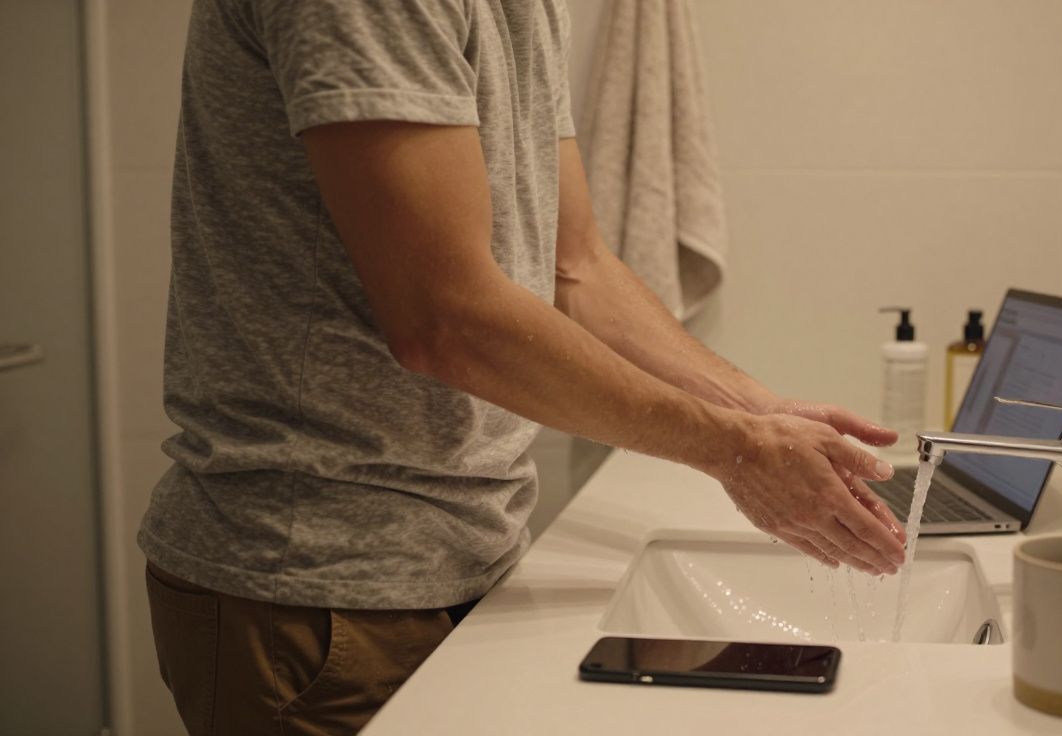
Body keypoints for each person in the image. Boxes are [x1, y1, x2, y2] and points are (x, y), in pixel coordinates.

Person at [137, 0, 907, 733]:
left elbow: (578, 267)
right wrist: (734, 450)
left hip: (468, 560)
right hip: (314, 583)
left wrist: (758, 415)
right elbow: (446, 318)